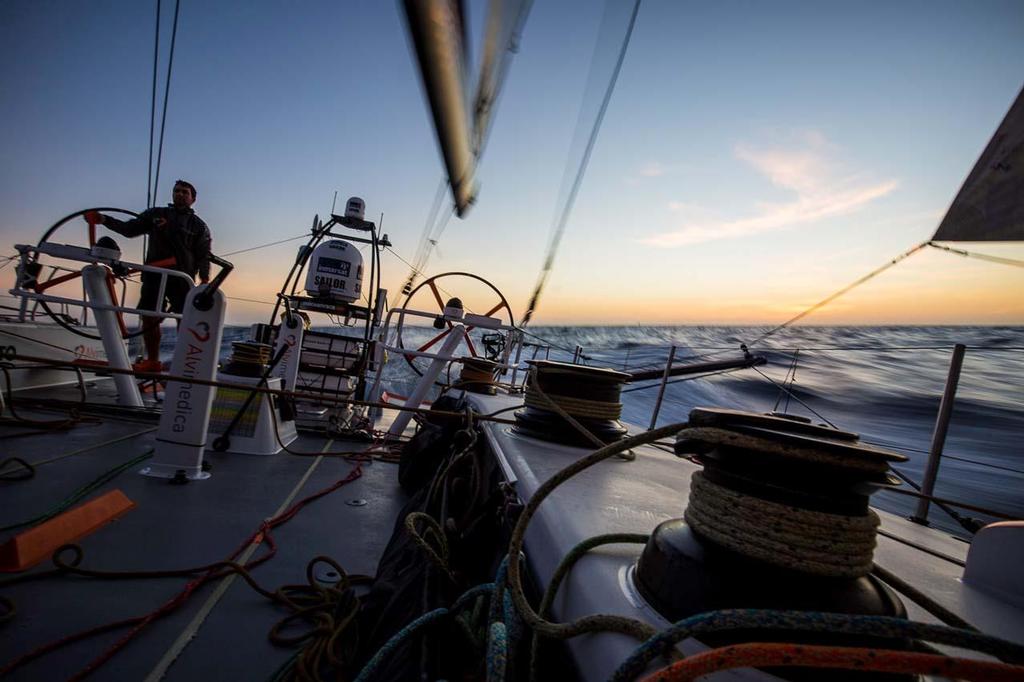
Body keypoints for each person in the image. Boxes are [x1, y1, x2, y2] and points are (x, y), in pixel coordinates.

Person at [85, 180, 212, 372]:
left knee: (185, 318)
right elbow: (129, 229)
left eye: (185, 192)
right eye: (176, 191)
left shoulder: (199, 226)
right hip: (154, 274)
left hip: (181, 277)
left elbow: (204, 255)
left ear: (193, 199)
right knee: (149, 315)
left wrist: (204, 280)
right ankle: (153, 361)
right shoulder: (156, 214)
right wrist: (103, 219)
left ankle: (185, 363)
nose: (179, 194)